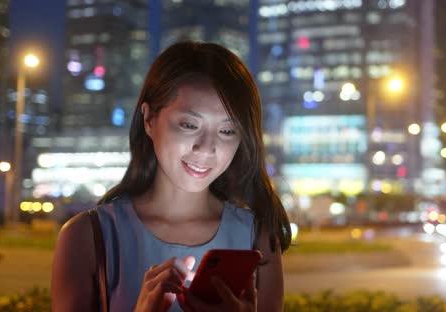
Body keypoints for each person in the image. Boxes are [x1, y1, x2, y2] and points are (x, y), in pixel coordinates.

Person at [51, 41, 292, 312]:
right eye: (189, 125)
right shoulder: (87, 236)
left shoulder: (257, 237)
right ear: (149, 119)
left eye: (227, 131)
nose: (207, 148)